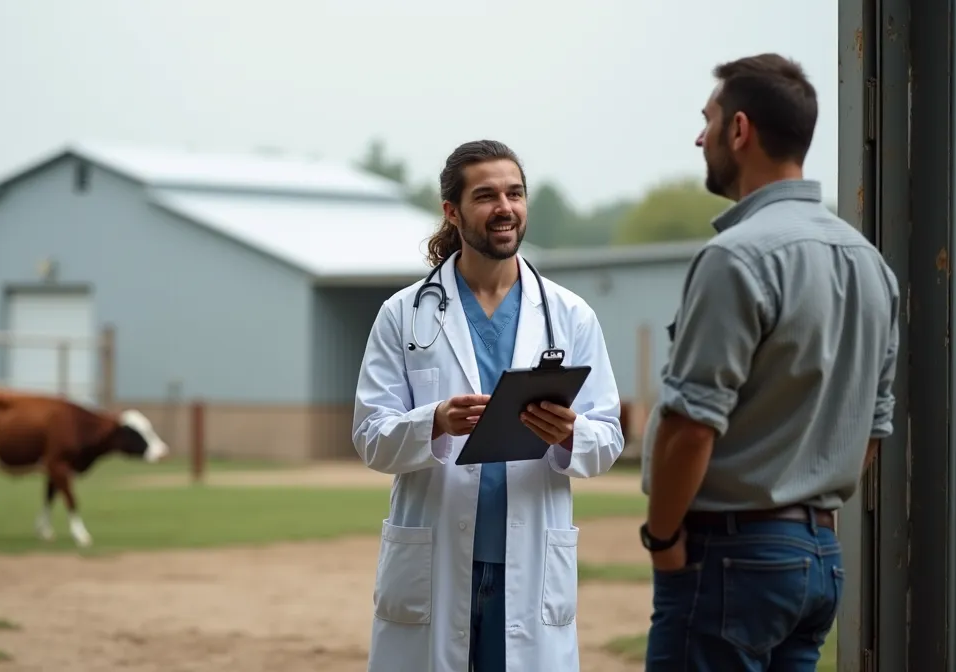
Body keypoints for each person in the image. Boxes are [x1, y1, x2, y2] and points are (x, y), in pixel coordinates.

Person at [638, 53, 901, 671]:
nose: (699, 137)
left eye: (708, 120)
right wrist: (811, 517)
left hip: (730, 555)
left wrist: (665, 539)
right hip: (817, 558)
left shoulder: (736, 257)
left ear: (740, 130)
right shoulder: (870, 263)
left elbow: (691, 425)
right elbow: (872, 429)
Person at [352, 139, 626, 672]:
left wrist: (570, 433)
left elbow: (609, 437)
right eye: (486, 196)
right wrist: (433, 420)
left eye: (515, 193)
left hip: (529, 563)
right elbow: (370, 436)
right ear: (452, 212)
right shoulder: (402, 315)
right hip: (434, 559)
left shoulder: (570, 316)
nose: (505, 207)